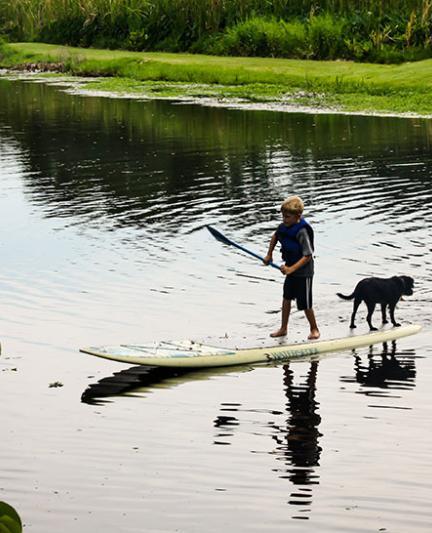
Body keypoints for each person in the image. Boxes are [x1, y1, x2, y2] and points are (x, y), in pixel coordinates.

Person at [263, 195, 320, 339]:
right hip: (291, 270)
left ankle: (314, 329)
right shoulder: (284, 227)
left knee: (305, 303)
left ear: (298, 216)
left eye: (287, 217)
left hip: (304, 273)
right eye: (283, 216)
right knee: (286, 298)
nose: (284, 220)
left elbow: (307, 255)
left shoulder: (302, 231)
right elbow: (276, 236)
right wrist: (269, 255)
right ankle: (283, 328)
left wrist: (291, 269)